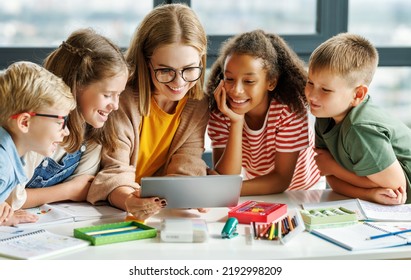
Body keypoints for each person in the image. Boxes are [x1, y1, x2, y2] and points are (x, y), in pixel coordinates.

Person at [88, 3, 209, 221]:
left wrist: (188, 192)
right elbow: (114, 172)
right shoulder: (121, 100)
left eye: (189, 69)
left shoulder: (197, 104)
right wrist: (130, 200)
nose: (179, 82)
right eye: (165, 71)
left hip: (159, 210)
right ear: (145, 62)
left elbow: (187, 165)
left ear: (201, 59)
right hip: (111, 209)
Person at [20, 28, 129, 208]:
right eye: (108, 95)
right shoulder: (37, 127)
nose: (115, 105)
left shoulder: (94, 132)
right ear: (76, 85)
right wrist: (68, 191)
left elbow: (83, 187)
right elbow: (9, 197)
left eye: (119, 94)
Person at [207, 30, 322, 196]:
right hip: (259, 186)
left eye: (249, 81)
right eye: (229, 78)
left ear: (271, 82)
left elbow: (281, 179)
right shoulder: (221, 111)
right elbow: (225, 177)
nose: (236, 90)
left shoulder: (288, 109)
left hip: (305, 189)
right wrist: (236, 122)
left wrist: (227, 189)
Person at [305, 32, 411, 205]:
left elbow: (396, 187)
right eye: (310, 83)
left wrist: (334, 168)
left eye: (325, 90)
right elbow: (332, 181)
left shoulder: (359, 127)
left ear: (358, 94)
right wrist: (370, 193)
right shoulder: (325, 116)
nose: (312, 95)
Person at [0, 61, 75, 225]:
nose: (67, 131)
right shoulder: (2, 164)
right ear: (25, 122)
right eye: (61, 121)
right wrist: (4, 218)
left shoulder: (11, 156)